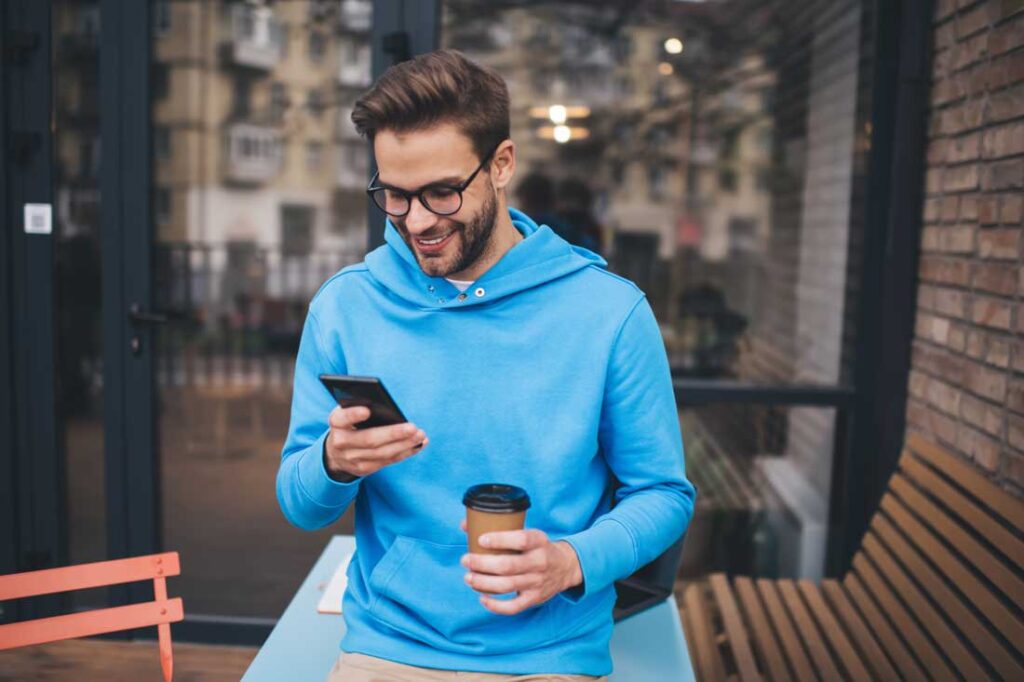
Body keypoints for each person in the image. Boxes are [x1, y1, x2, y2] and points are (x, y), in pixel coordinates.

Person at [277, 49, 696, 682]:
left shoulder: (608, 312)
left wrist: (571, 561)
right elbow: (298, 502)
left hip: (550, 657)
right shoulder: (346, 307)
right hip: (387, 647)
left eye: (442, 193)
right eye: (394, 194)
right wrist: (334, 463)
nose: (417, 222)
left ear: (501, 165)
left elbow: (663, 494)